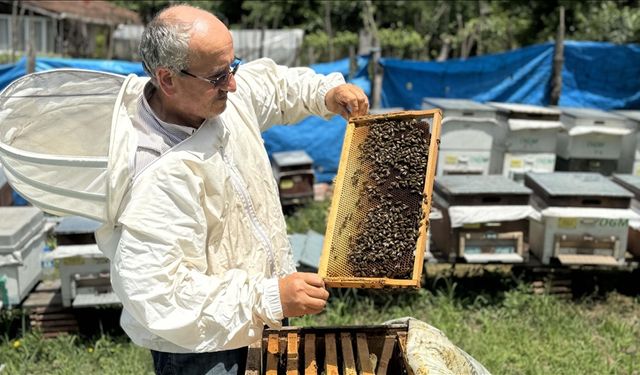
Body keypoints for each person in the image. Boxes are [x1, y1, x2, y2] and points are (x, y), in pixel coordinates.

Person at [93, 4, 369, 375]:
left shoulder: (216, 95)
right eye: (219, 75)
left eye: (232, 67)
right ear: (168, 79)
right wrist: (271, 296)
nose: (233, 84)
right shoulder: (150, 173)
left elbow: (273, 86)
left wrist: (327, 91)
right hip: (202, 351)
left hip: (264, 319)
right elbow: (161, 296)